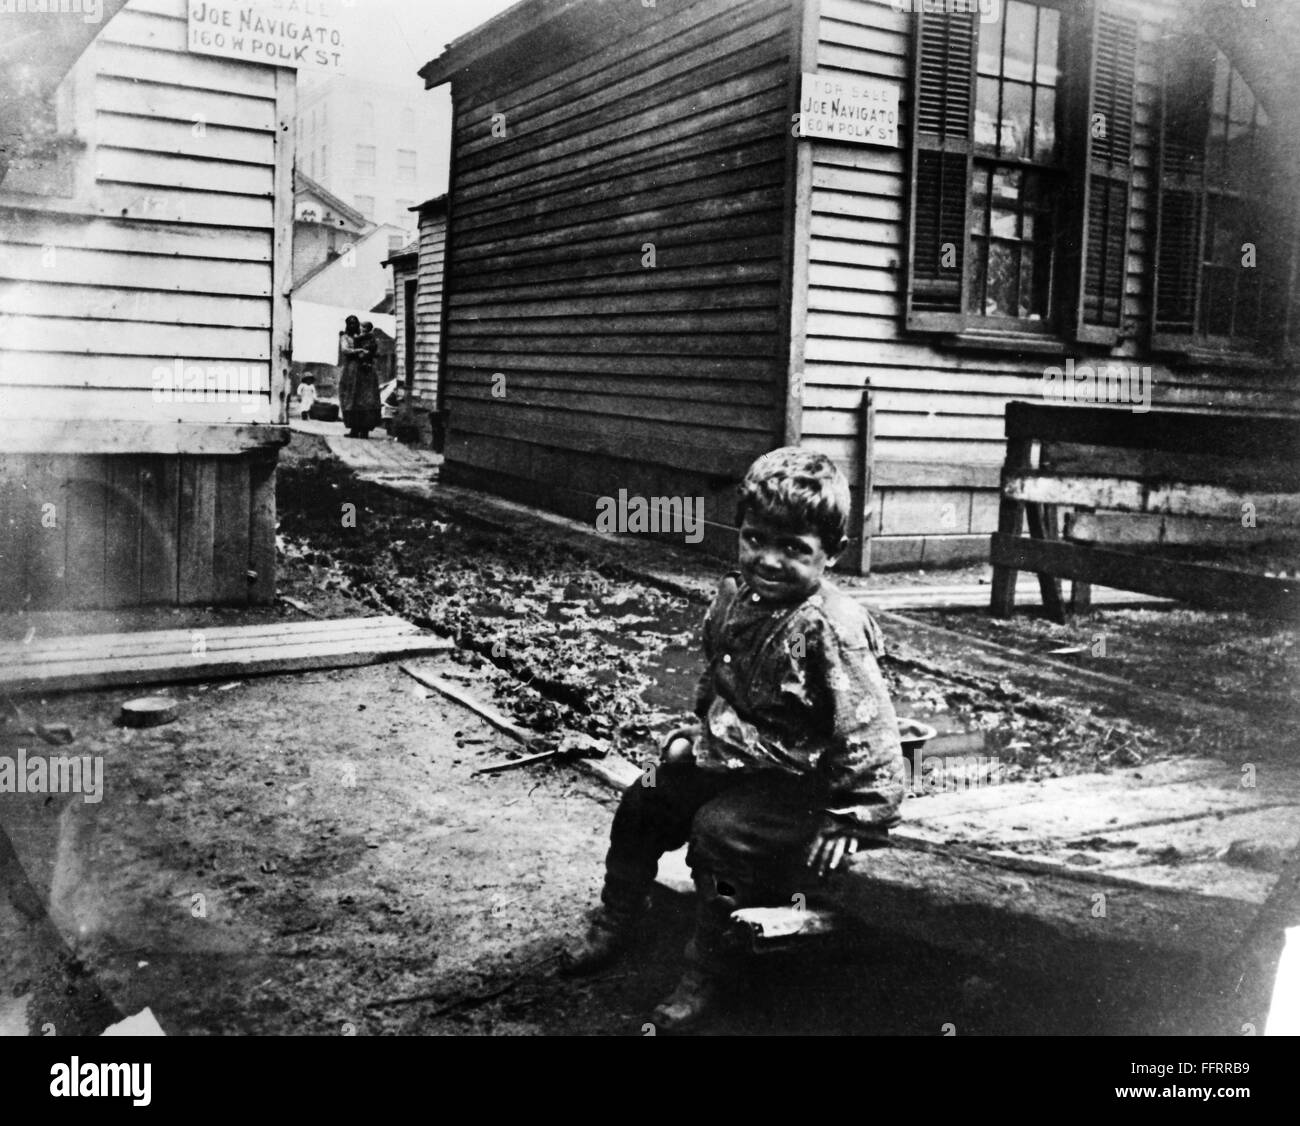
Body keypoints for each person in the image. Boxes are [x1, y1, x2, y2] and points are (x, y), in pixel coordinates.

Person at [560, 447, 906, 1032]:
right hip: (734, 755)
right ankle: (618, 914)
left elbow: (868, 726)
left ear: (832, 554)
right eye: (754, 539)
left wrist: (854, 816)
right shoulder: (732, 598)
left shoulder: (830, 628)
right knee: (647, 794)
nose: (768, 560)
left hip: (800, 781)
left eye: (794, 548)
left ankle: (707, 967)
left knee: (719, 831)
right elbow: (716, 673)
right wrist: (698, 732)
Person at [338, 315, 381, 437]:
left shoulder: (365, 336)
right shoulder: (345, 337)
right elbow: (345, 350)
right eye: (350, 323)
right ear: (347, 325)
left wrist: (371, 353)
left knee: (367, 399)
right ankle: (354, 429)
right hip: (351, 370)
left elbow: (375, 350)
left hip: (366, 371)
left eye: (355, 323)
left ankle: (365, 429)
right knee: (352, 398)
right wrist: (359, 351)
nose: (353, 326)